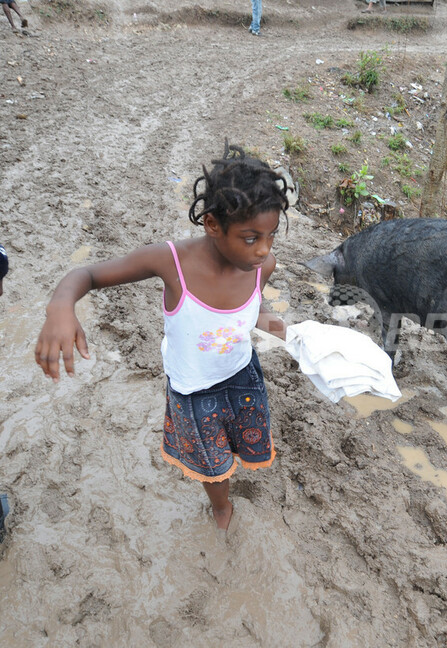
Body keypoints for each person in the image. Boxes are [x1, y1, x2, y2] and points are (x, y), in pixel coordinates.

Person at [35, 143, 289, 531]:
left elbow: (255, 312)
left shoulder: (261, 265)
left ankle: (229, 479)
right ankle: (221, 507)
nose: (265, 250)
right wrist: (60, 307)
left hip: (241, 374)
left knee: (242, 440)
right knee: (212, 463)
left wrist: (295, 336)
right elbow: (86, 276)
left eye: (271, 235)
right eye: (252, 237)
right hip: (193, 389)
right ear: (212, 225)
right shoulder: (171, 262)